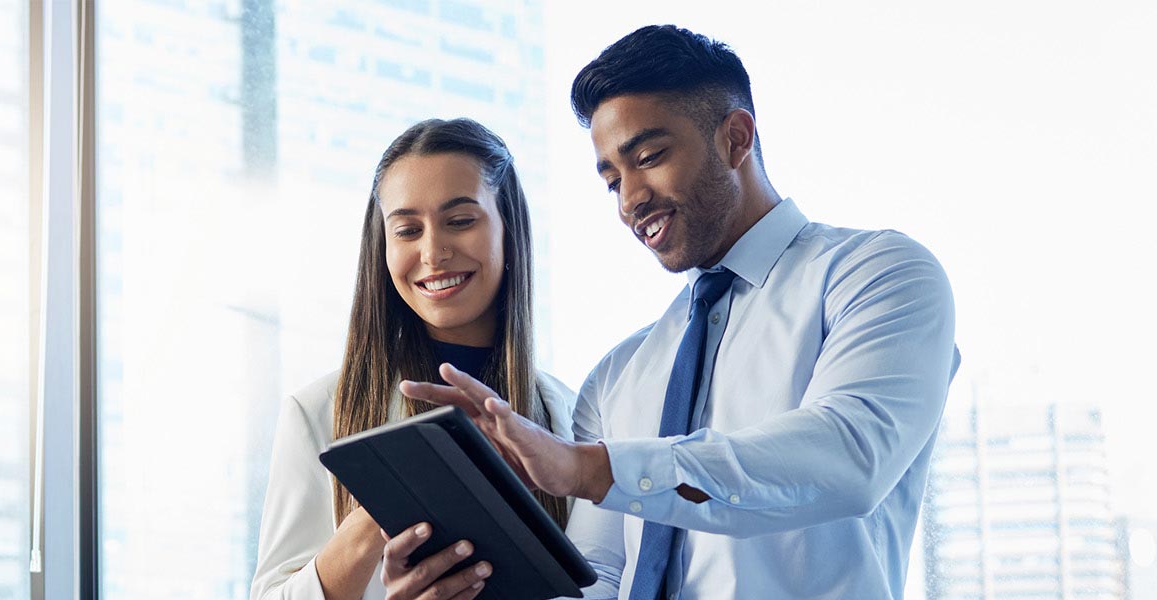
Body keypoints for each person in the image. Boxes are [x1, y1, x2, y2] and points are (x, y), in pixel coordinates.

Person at [391, 25, 960, 600]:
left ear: (735, 139)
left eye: (649, 158)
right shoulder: (618, 375)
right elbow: (598, 578)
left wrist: (592, 470)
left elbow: (850, 455)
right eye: (612, 180)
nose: (630, 200)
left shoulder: (876, 275)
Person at [249, 118, 576, 600]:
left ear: (509, 229)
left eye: (460, 221)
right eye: (407, 230)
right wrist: (377, 511)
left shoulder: (569, 413)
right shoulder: (317, 411)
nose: (433, 251)